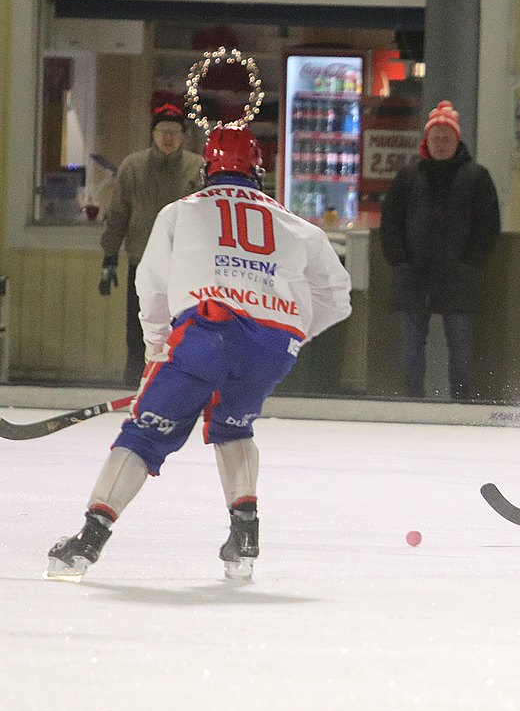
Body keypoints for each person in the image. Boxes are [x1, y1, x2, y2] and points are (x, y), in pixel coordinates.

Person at [46, 126, 353, 582]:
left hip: (205, 334)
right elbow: (337, 298)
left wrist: (156, 349)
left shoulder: (180, 212)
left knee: (143, 435)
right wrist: (288, 336)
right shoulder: (296, 224)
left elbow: (150, 286)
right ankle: (244, 534)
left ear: (207, 168)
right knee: (233, 425)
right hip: (271, 344)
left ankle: (87, 542)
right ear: (259, 171)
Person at [378, 101, 501, 400]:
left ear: (457, 140)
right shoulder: (407, 178)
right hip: (413, 279)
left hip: (459, 280)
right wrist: (400, 263)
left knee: (461, 351)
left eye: (446, 138)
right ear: (426, 141)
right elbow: (390, 222)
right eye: (436, 138)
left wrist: (469, 265)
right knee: (410, 350)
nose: (441, 144)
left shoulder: (477, 178)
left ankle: (461, 404)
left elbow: (488, 226)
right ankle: (412, 402)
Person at [98, 100, 205, 383]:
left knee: (184, 326)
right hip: (142, 258)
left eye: (174, 132)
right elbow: (119, 214)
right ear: (153, 135)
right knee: (138, 325)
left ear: (184, 136)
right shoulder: (133, 166)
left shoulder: (198, 169)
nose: (168, 137)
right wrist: (109, 256)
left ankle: (179, 382)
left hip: (186, 264)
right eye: (162, 131)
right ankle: (135, 380)